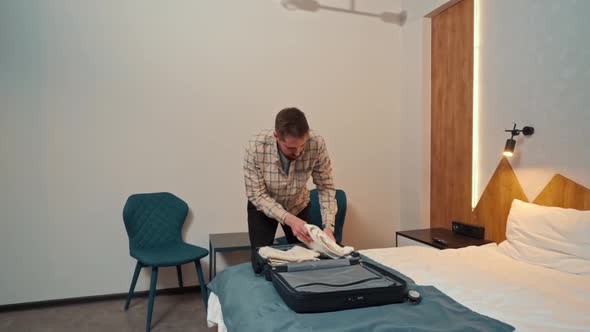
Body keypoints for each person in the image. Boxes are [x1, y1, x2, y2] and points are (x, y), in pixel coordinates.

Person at [244, 107, 338, 271]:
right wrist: (289, 219)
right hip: (263, 207)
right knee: (260, 262)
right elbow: (256, 194)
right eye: (291, 148)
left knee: (306, 261)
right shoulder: (256, 146)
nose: (299, 152)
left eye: (302, 146)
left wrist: (329, 227)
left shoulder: (316, 143)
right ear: (276, 137)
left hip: (298, 204)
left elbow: (326, 187)